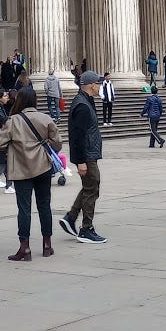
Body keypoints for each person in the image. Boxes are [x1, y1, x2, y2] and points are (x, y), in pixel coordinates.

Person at [0, 85, 61, 260]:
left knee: (24, 209)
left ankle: (25, 247)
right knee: (44, 205)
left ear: (19, 100)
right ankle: (47, 244)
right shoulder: (45, 118)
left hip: (21, 169)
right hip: (43, 167)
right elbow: (57, 144)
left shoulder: (13, 121)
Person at [60, 70, 107, 244]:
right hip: (86, 154)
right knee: (92, 187)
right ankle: (86, 229)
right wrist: (80, 161)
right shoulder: (82, 105)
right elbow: (77, 135)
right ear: (92, 85)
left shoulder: (86, 101)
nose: (100, 87)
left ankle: (71, 217)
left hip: (89, 152)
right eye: (98, 84)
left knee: (90, 186)